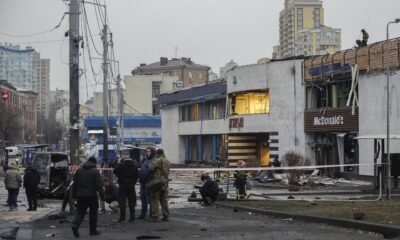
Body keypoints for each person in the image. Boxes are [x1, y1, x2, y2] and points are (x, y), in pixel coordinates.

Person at [71, 157, 103, 238]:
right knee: (93, 213)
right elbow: (98, 184)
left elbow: (74, 184)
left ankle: (75, 224)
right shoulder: (95, 171)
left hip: (80, 196)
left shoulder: (79, 170)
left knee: (80, 213)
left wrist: (74, 195)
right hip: (92, 196)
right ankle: (92, 230)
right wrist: (102, 195)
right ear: (94, 163)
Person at [148, 149, 170, 221]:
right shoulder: (167, 161)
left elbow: (150, 168)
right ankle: (166, 215)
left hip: (157, 182)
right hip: (165, 182)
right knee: (164, 200)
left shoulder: (158, 160)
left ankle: (155, 215)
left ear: (157, 154)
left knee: (155, 199)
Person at [113, 158, 138, 222]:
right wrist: (133, 182)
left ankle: (122, 217)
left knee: (122, 202)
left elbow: (115, 171)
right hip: (131, 185)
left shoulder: (121, 165)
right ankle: (132, 217)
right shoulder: (134, 166)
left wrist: (118, 163)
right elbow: (136, 175)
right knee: (131, 202)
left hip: (123, 185)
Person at [138, 147, 155, 219]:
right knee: (143, 198)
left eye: (149, 151)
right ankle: (143, 213)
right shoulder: (145, 160)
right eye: (147, 151)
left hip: (149, 182)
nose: (147, 153)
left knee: (150, 198)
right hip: (143, 182)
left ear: (152, 152)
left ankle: (152, 213)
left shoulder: (154, 160)